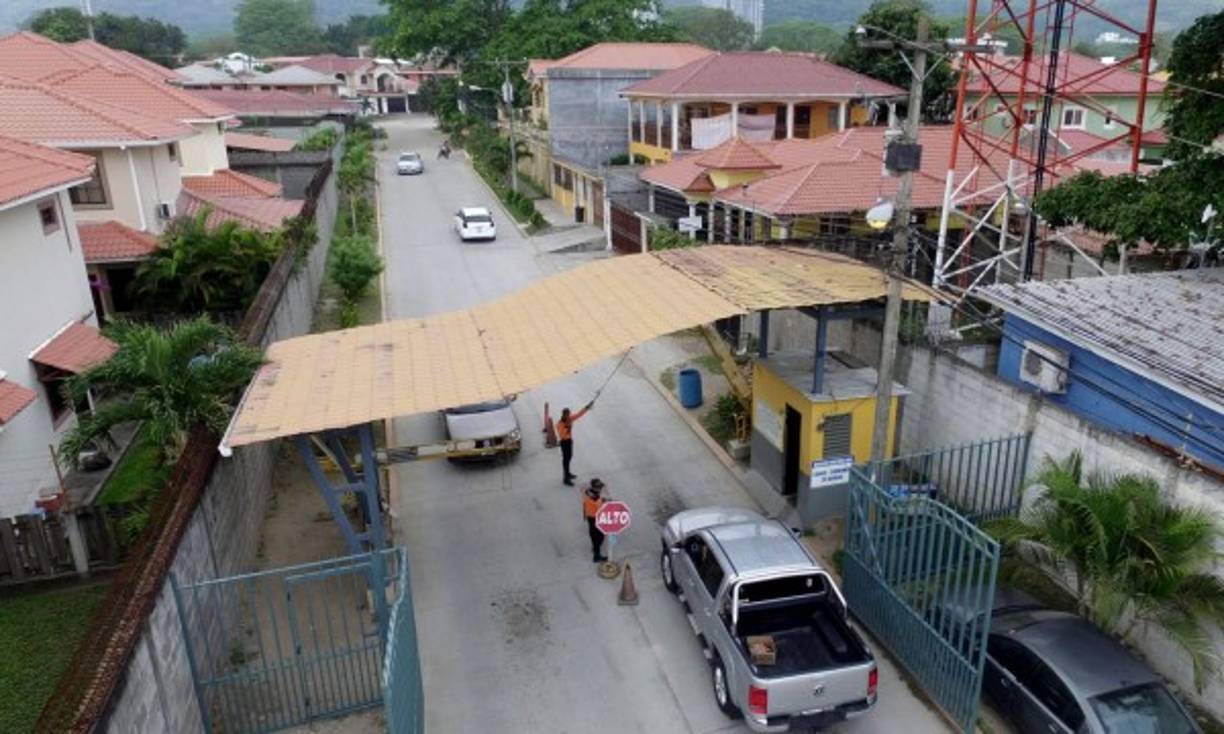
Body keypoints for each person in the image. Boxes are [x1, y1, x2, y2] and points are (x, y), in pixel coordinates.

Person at [556, 400, 593, 485]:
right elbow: (562, 435)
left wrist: (587, 407)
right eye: (567, 415)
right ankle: (565, 478)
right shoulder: (560, 424)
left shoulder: (570, 418)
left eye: (569, 414)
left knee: (569, 458)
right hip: (564, 442)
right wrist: (567, 426)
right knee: (566, 460)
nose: (569, 416)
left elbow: (579, 414)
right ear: (563, 415)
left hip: (569, 441)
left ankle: (568, 473)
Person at [582, 479, 607, 562]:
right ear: (595, 488)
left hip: (589, 515)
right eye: (599, 487)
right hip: (595, 517)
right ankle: (596, 555)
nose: (600, 489)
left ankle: (595, 547)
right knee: (600, 535)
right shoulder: (595, 498)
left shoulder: (587, 491)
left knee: (592, 533)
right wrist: (605, 502)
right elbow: (601, 507)